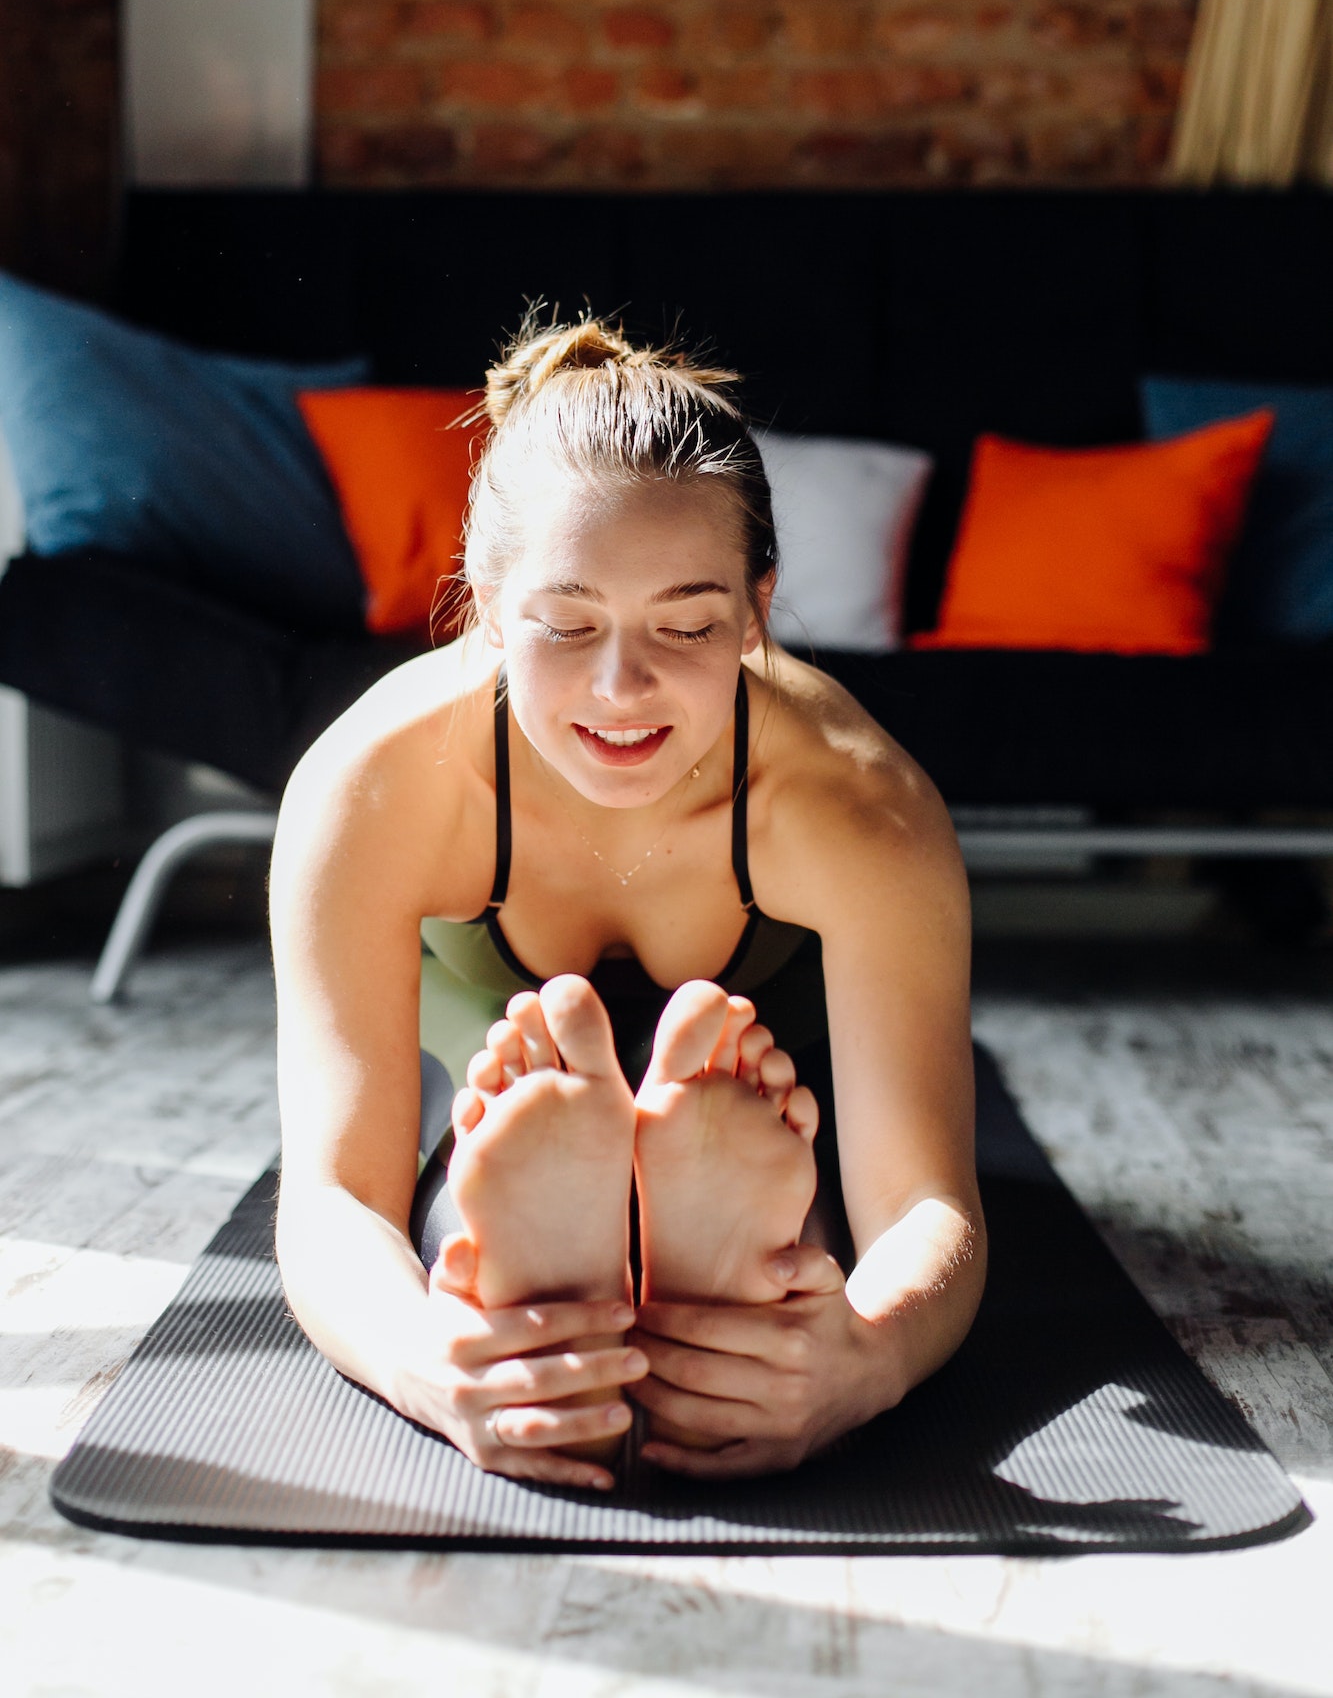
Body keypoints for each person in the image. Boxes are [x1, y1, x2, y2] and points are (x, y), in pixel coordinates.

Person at [271, 316, 984, 1494]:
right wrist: (429, 1367)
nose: (621, 687)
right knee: (462, 1152)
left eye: (688, 623)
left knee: (809, 1194)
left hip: (770, 1039)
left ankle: (722, 1237)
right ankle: (528, 1225)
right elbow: (334, 1190)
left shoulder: (860, 807)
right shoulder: (374, 785)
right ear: (487, 607)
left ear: (759, 609)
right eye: (565, 624)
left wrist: (864, 1354)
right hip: (487, 1020)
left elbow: (925, 1198)